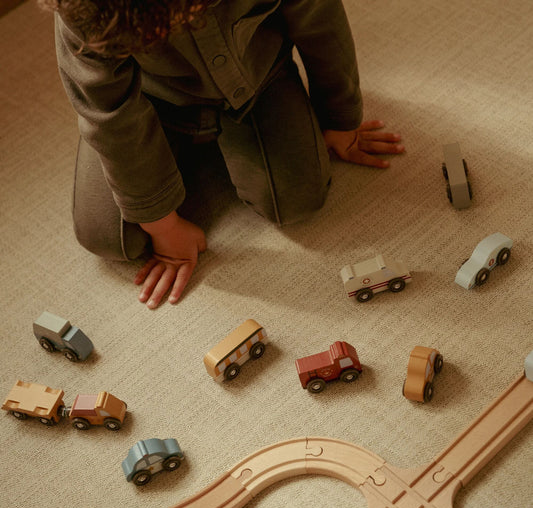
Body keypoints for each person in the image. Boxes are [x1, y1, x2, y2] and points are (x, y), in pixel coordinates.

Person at [41, 0, 405, 309]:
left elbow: (320, 20)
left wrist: (339, 117)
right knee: (107, 238)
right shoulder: (86, 7)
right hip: (147, 104)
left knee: (296, 200)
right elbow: (110, 114)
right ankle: (160, 164)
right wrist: (162, 224)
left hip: (256, 79)